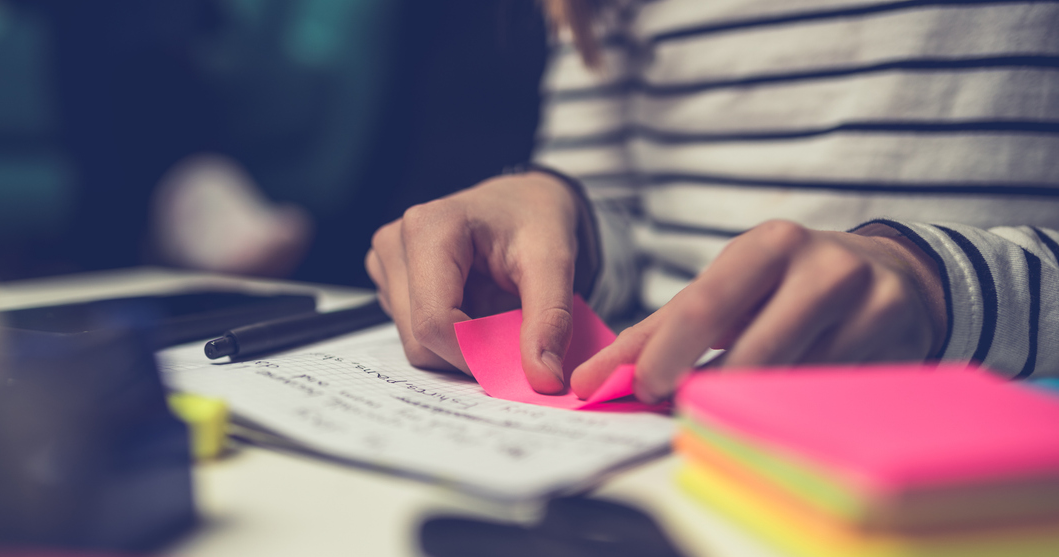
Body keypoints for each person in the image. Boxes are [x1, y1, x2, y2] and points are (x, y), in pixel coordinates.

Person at [365, 0, 1059, 404]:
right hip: (653, 441)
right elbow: (622, 217)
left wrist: (941, 290)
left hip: (991, 475)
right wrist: (554, 209)